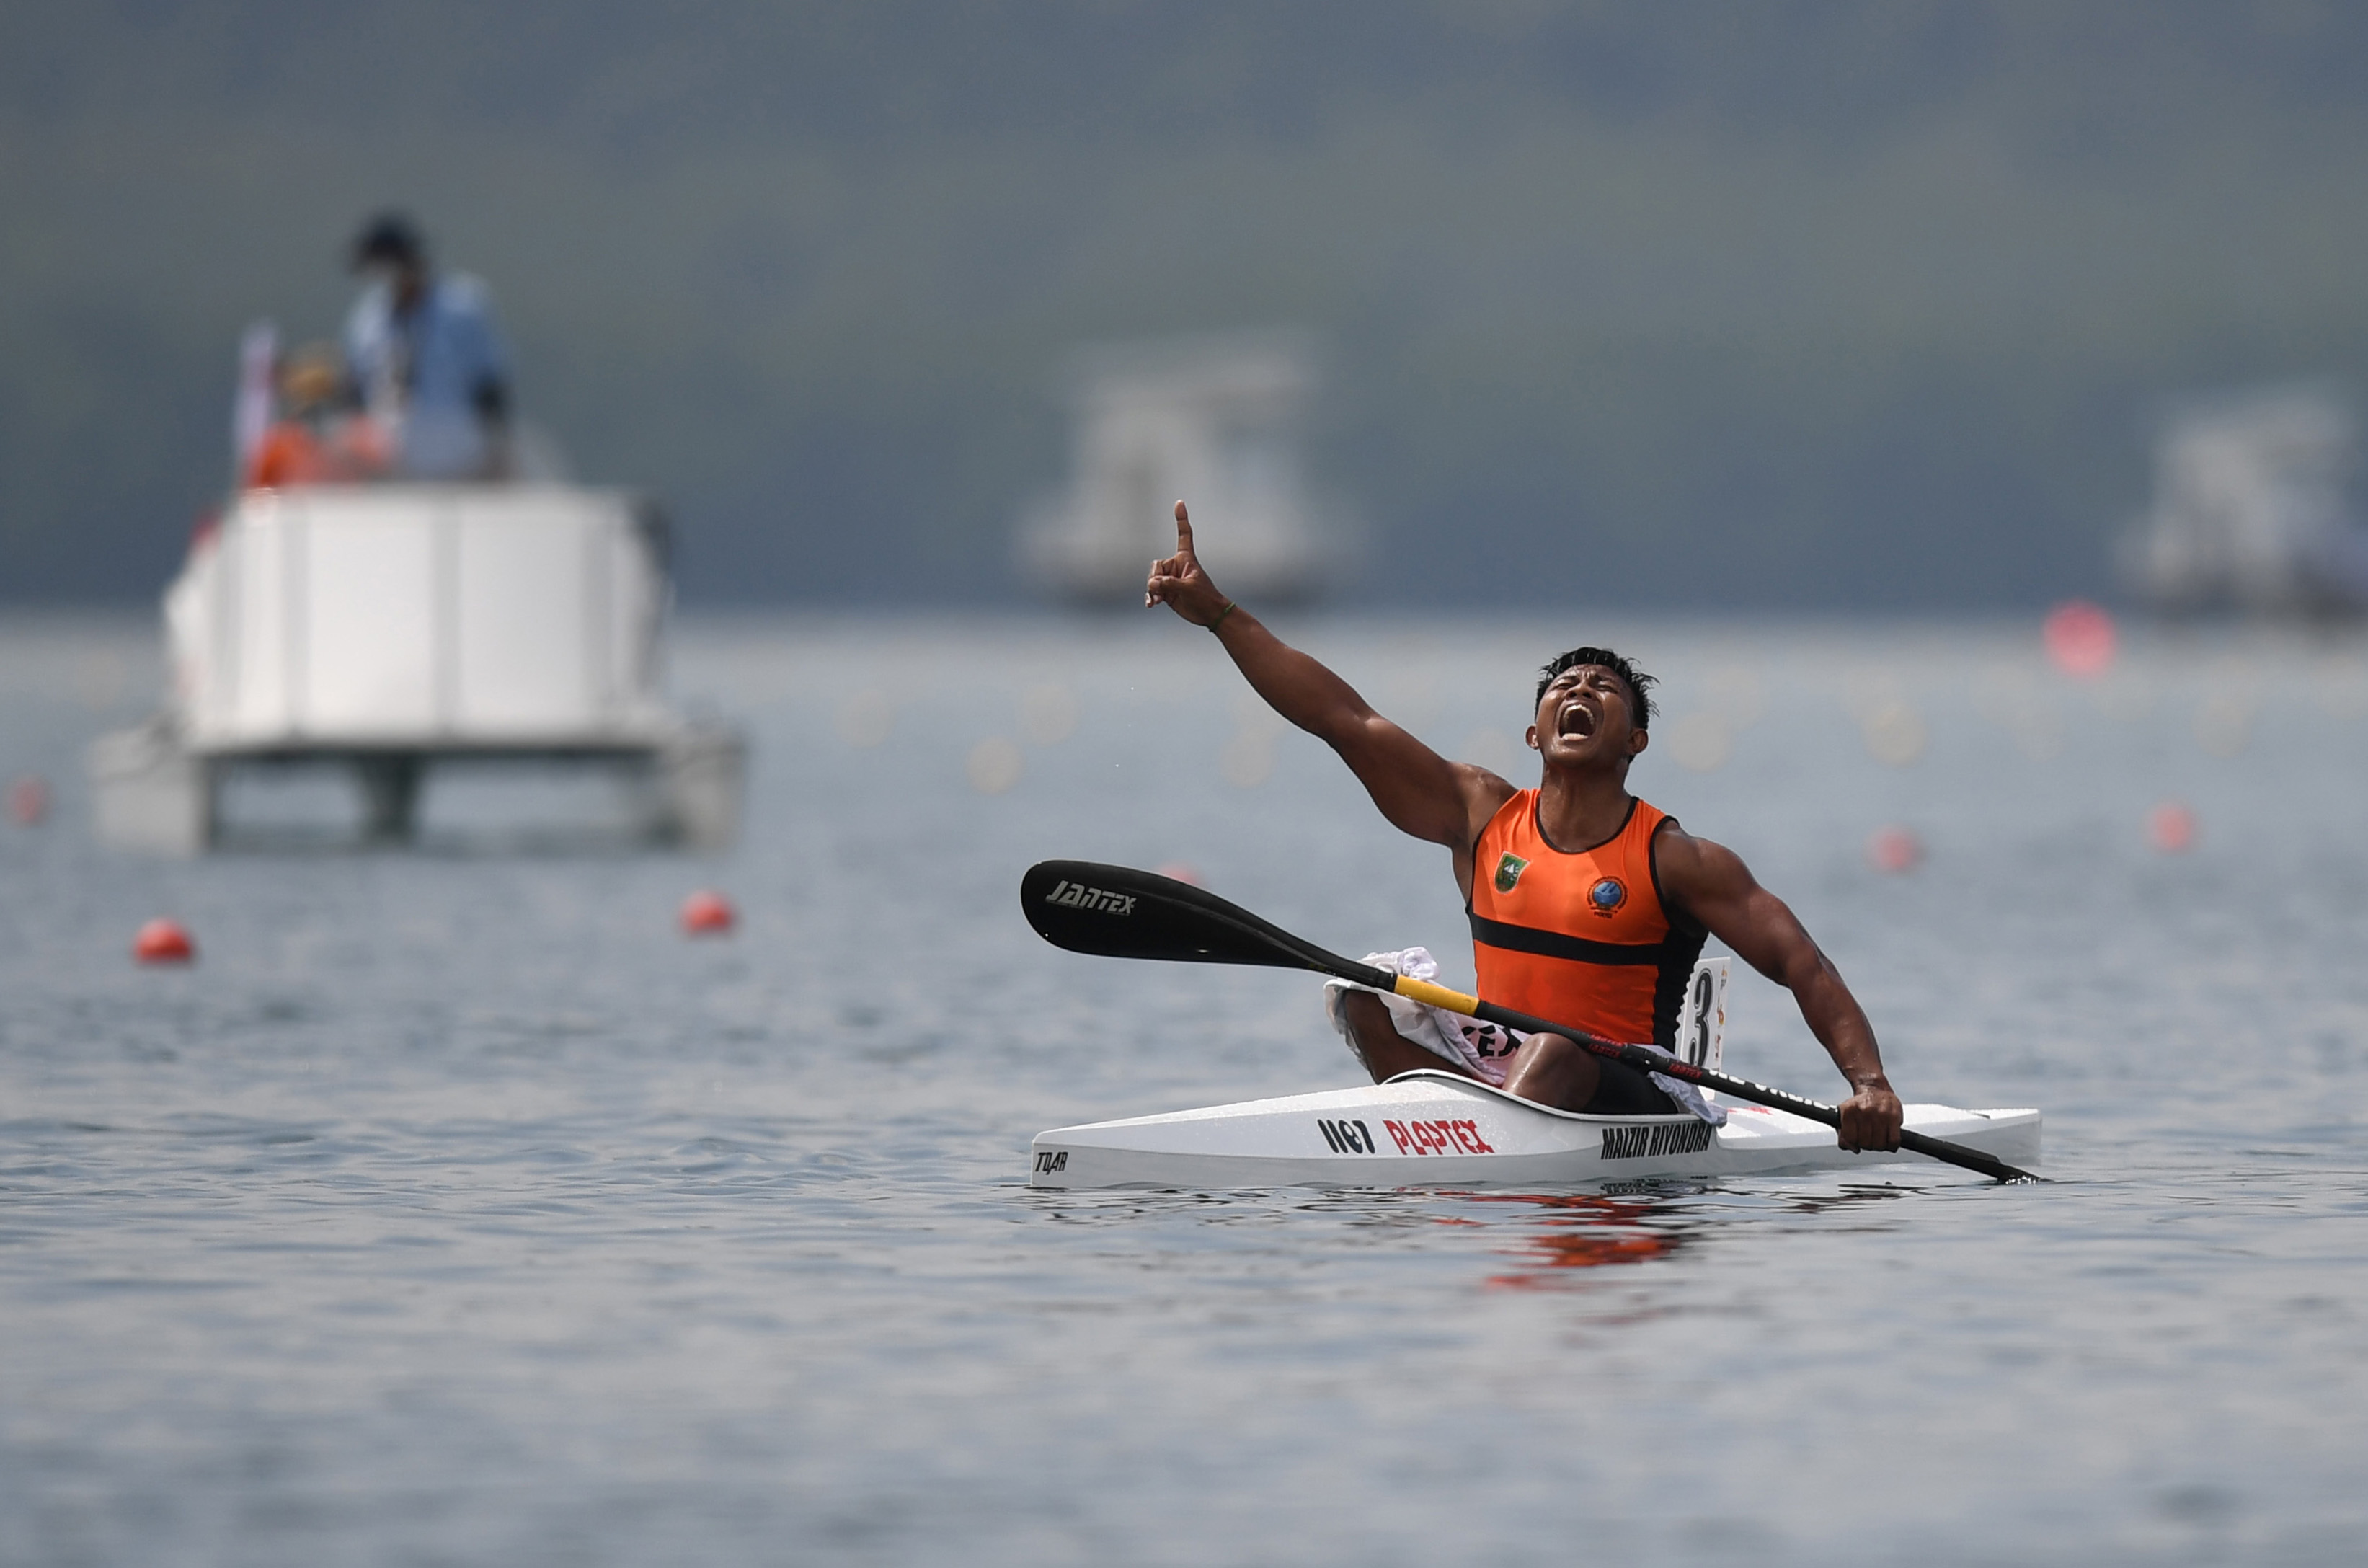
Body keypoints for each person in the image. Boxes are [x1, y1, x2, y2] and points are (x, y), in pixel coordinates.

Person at [1144, 500, 1905, 1151]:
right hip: (1510, 1064)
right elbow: (1340, 718)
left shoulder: (1675, 860)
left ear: (1635, 741)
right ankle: (1458, 1132)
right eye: (1564, 685)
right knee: (1360, 996)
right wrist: (1219, 615)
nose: (1580, 689)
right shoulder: (1478, 814)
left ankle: (1466, 1144)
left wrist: (1868, 1086)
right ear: (1535, 733)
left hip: (1633, 1090)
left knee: (1557, 1053)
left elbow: (1803, 964)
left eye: (1604, 689)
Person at [342, 213, 513, 481]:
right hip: (392, 468)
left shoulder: (462, 308)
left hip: (463, 461)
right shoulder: (368, 320)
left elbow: (489, 387)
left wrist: (500, 448)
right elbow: (358, 394)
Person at [242, 344, 391, 489]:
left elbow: (389, 483)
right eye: (308, 404)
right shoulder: (277, 446)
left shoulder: (362, 439)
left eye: (323, 400)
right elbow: (256, 502)